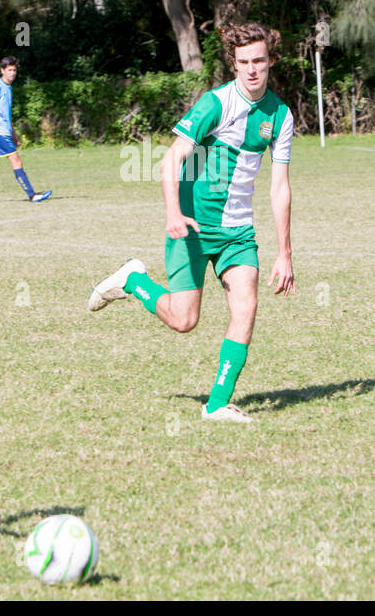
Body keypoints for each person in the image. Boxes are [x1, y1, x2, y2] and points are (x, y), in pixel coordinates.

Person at [87, 22, 296, 423]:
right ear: (233, 64)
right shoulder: (215, 104)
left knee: (246, 306)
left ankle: (217, 404)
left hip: (237, 232)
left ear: (271, 62)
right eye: (244, 63)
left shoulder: (281, 115)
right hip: (192, 226)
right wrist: (172, 213)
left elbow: (280, 187)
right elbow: (171, 159)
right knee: (184, 320)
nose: (252, 70)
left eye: (259, 62)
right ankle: (133, 279)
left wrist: (285, 253)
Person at [0, 56, 51, 203]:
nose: (12, 73)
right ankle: (32, 195)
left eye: (14, 70)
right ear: (2, 70)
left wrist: (14, 134)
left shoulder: (8, 88)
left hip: (3, 132)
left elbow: (6, 115)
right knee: (16, 161)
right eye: (9, 70)